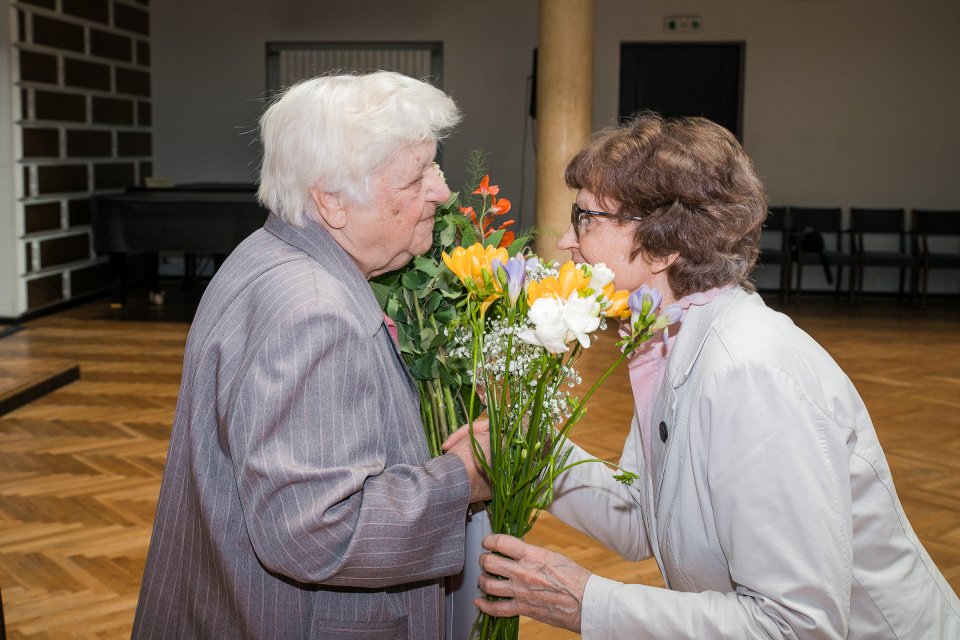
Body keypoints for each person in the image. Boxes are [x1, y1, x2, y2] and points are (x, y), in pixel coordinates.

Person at [471, 113, 960, 638]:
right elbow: (646, 520)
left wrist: (588, 602)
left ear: (662, 245)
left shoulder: (747, 373)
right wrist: (529, 451)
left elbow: (797, 627)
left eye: (586, 216)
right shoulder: (669, 338)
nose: (568, 239)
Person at [132, 71, 490, 639]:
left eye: (435, 168)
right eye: (416, 175)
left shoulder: (267, 253)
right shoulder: (314, 313)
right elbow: (319, 530)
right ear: (332, 201)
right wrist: (466, 477)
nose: (441, 192)